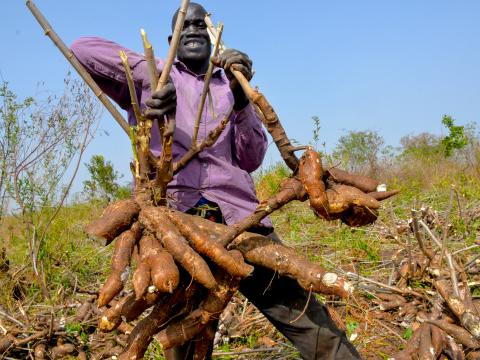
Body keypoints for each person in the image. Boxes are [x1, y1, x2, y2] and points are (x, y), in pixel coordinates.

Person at [71, 3, 361, 359]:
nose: (192, 30)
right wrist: (149, 75)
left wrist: (241, 101)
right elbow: (81, 49)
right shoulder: (153, 77)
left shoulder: (230, 87)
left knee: (304, 317)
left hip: (240, 219)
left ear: (214, 38)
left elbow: (252, 158)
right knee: (185, 338)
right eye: (184, 26)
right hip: (176, 225)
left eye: (199, 25)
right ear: (171, 39)